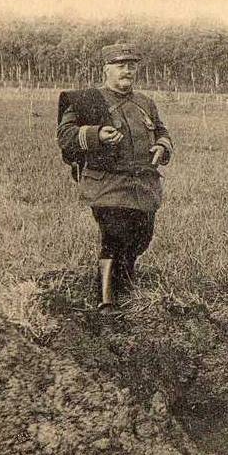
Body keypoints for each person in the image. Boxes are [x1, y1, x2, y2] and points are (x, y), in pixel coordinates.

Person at [56, 42, 173, 311]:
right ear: (106, 69)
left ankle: (125, 284)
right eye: (121, 65)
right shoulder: (87, 101)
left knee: (141, 238)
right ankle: (106, 301)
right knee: (115, 236)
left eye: (131, 66)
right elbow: (65, 136)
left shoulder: (145, 103)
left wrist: (161, 146)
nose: (127, 71)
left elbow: (162, 132)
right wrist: (97, 134)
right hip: (106, 184)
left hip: (142, 185)